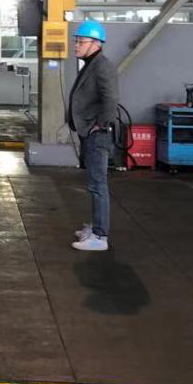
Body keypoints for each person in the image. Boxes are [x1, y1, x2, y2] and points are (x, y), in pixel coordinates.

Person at [67, 20, 119, 253]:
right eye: (76, 41)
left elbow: (111, 99)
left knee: (98, 185)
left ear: (96, 43)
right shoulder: (91, 64)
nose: (76, 45)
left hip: (97, 135)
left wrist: (101, 125)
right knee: (93, 183)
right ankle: (96, 227)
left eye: (81, 41)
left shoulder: (102, 66)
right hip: (88, 132)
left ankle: (100, 236)